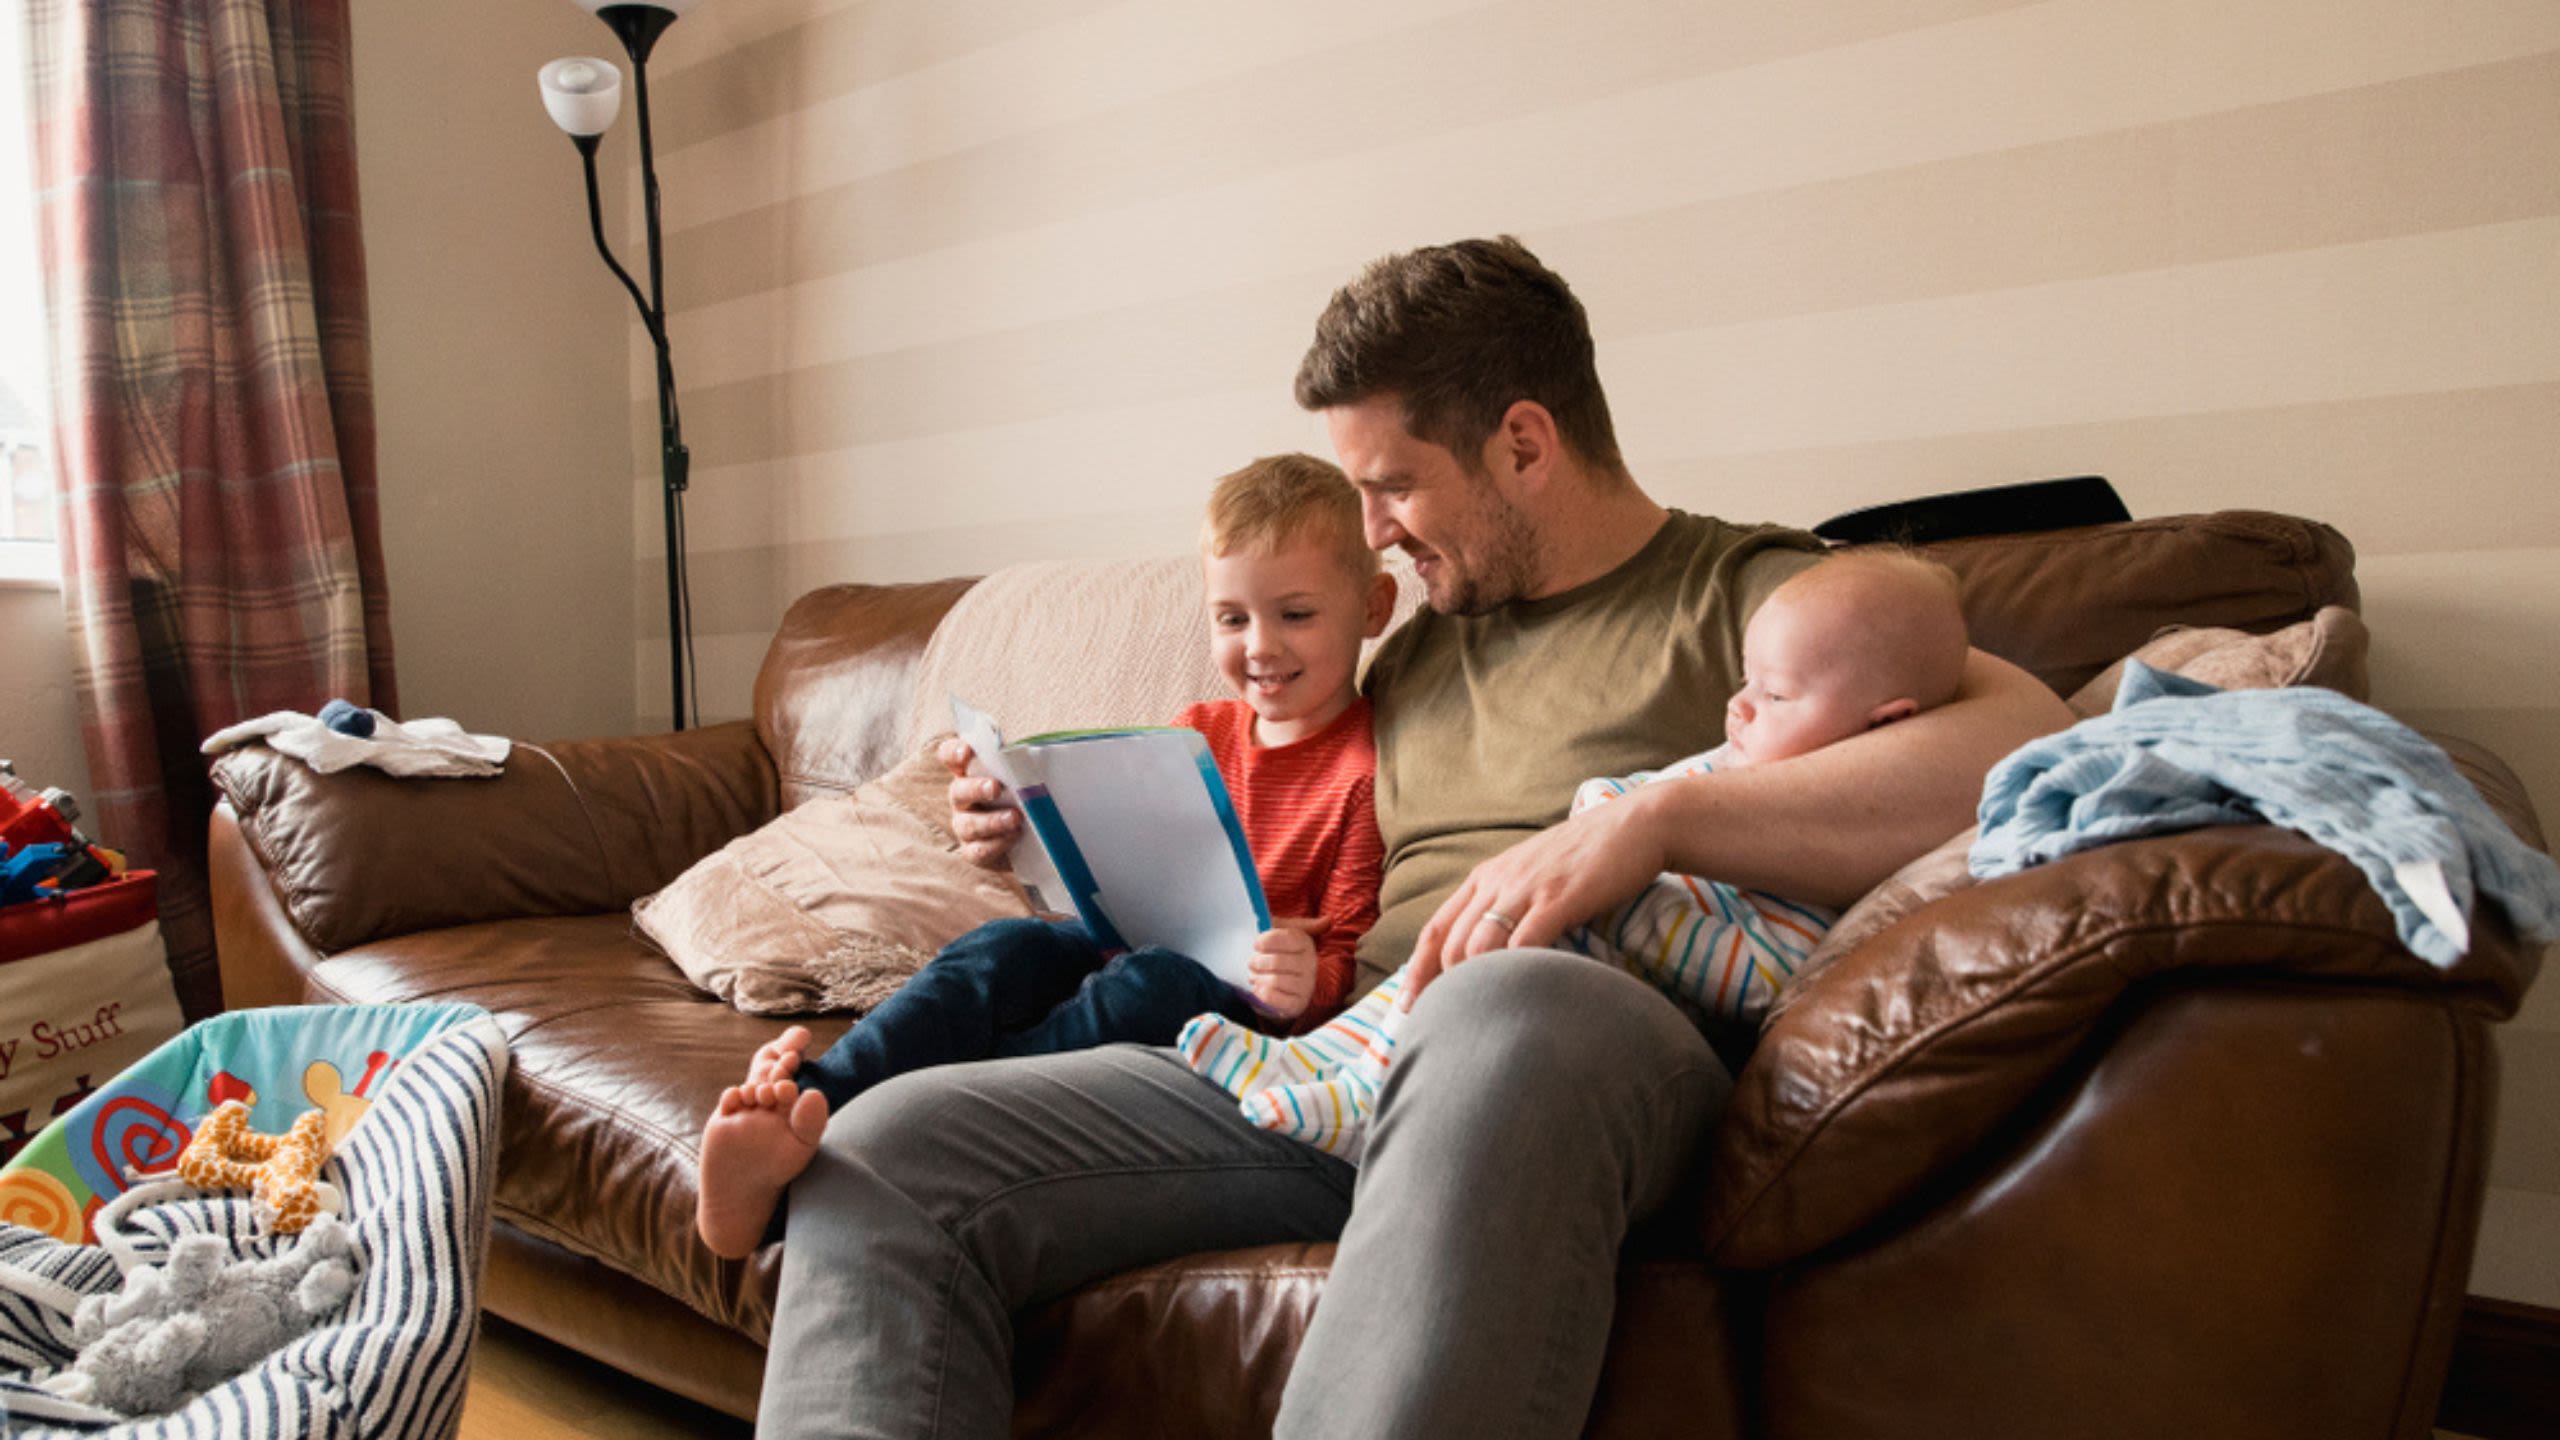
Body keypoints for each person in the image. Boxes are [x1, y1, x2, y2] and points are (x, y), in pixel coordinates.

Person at [753, 236, 2072, 1440]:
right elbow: (1255, 815)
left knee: (1500, 1012)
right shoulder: (1419, 631)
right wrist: (1046, 837)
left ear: (1523, 443)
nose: (1373, 530)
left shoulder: (1745, 597)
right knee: (887, 1153)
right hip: (1339, 1054)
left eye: (1392, 486)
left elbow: (2021, 743)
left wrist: (1661, 818)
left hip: (1583, 1038)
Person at [693, 452, 1394, 1260]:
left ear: (1373, 608)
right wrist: (1023, 826)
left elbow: (1352, 955)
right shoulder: (1196, 731)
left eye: (1295, 614)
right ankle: (803, 1112)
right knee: (1000, 950)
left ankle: (924, 1124)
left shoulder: (1369, 767)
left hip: (1235, 1011)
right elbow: (1108, 863)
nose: (1259, 646)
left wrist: (1307, 982)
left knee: (1149, 981)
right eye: (1232, 618)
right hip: (1123, 939)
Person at [1178, 549, 1971, 1156]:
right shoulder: (1736, 749)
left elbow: (1764, 976)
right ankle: (1319, 1063)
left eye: (1773, 695)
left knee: (1486, 980)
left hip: (1560, 1017)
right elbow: (1628, 801)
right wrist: (1603, 811)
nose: (1738, 706)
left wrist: (1624, 885)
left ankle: (1365, 1100)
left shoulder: (1818, 850)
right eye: (1743, 682)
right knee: (1447, 958)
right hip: (1430, 975)